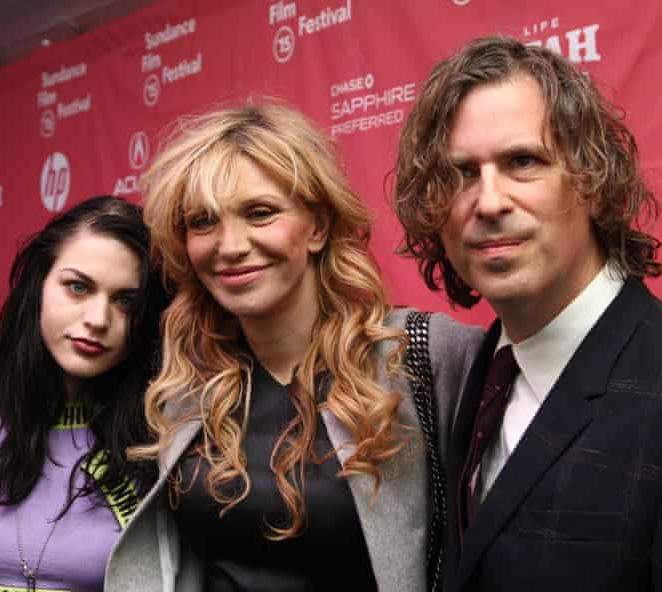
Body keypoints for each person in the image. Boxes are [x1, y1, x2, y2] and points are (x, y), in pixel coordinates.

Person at [100, 102, 482, 592]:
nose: (230, 245)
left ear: (318, 227)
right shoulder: (184, 381)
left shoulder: (420, 354)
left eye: (260, 213)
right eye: (203, 222)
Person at [394, 36, 662, 591]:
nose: (490, 201)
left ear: (593, 180)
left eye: (523, 161)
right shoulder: (472, 375)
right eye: (462, 174)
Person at [0, 196, 168, 592]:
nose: (97, 320)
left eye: (125, 301)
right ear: (38, 288)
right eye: (78, 287)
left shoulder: (166, 441)